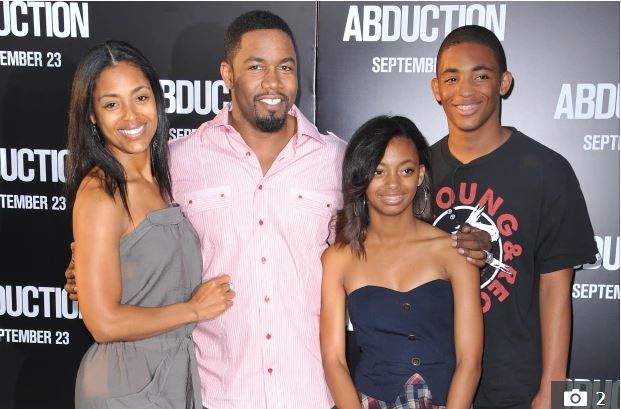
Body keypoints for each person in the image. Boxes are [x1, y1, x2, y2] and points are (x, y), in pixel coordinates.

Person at [64, 11, 490, 409]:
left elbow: (394, 231)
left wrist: (461, 241)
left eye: (285, 67)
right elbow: (134, 236)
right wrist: (86, 269)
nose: (273, 81)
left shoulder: (338, 161)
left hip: (312, 393)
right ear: (227, 73)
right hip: (216, 395)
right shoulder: (176, 162)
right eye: (256, 67)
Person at [429, 25, 598, 409]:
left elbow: (556, 287)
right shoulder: (416, 171)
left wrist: (553, 389)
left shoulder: (547, 170)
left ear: (504, 82)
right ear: (436, 88)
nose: (465, 90)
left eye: (481, 75)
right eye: (452, 78)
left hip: (517, 385)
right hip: (435, 380)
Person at [66, 40, 235, 409]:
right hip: (125, 384)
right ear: (92, 116)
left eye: (140, 98)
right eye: (112, 104)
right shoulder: (101, 192)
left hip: (173, 377)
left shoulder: (164, 178)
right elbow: (103, 323)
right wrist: (194, 310)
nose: (131, 116)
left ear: (156, 100)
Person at [321, 116, 483, 409]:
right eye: (379, 171)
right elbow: (333, 360)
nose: (393, 184)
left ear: (420, 174)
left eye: (405, 170)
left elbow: (469, 361)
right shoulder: (339, 258)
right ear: (361, 176)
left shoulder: (455, 251)